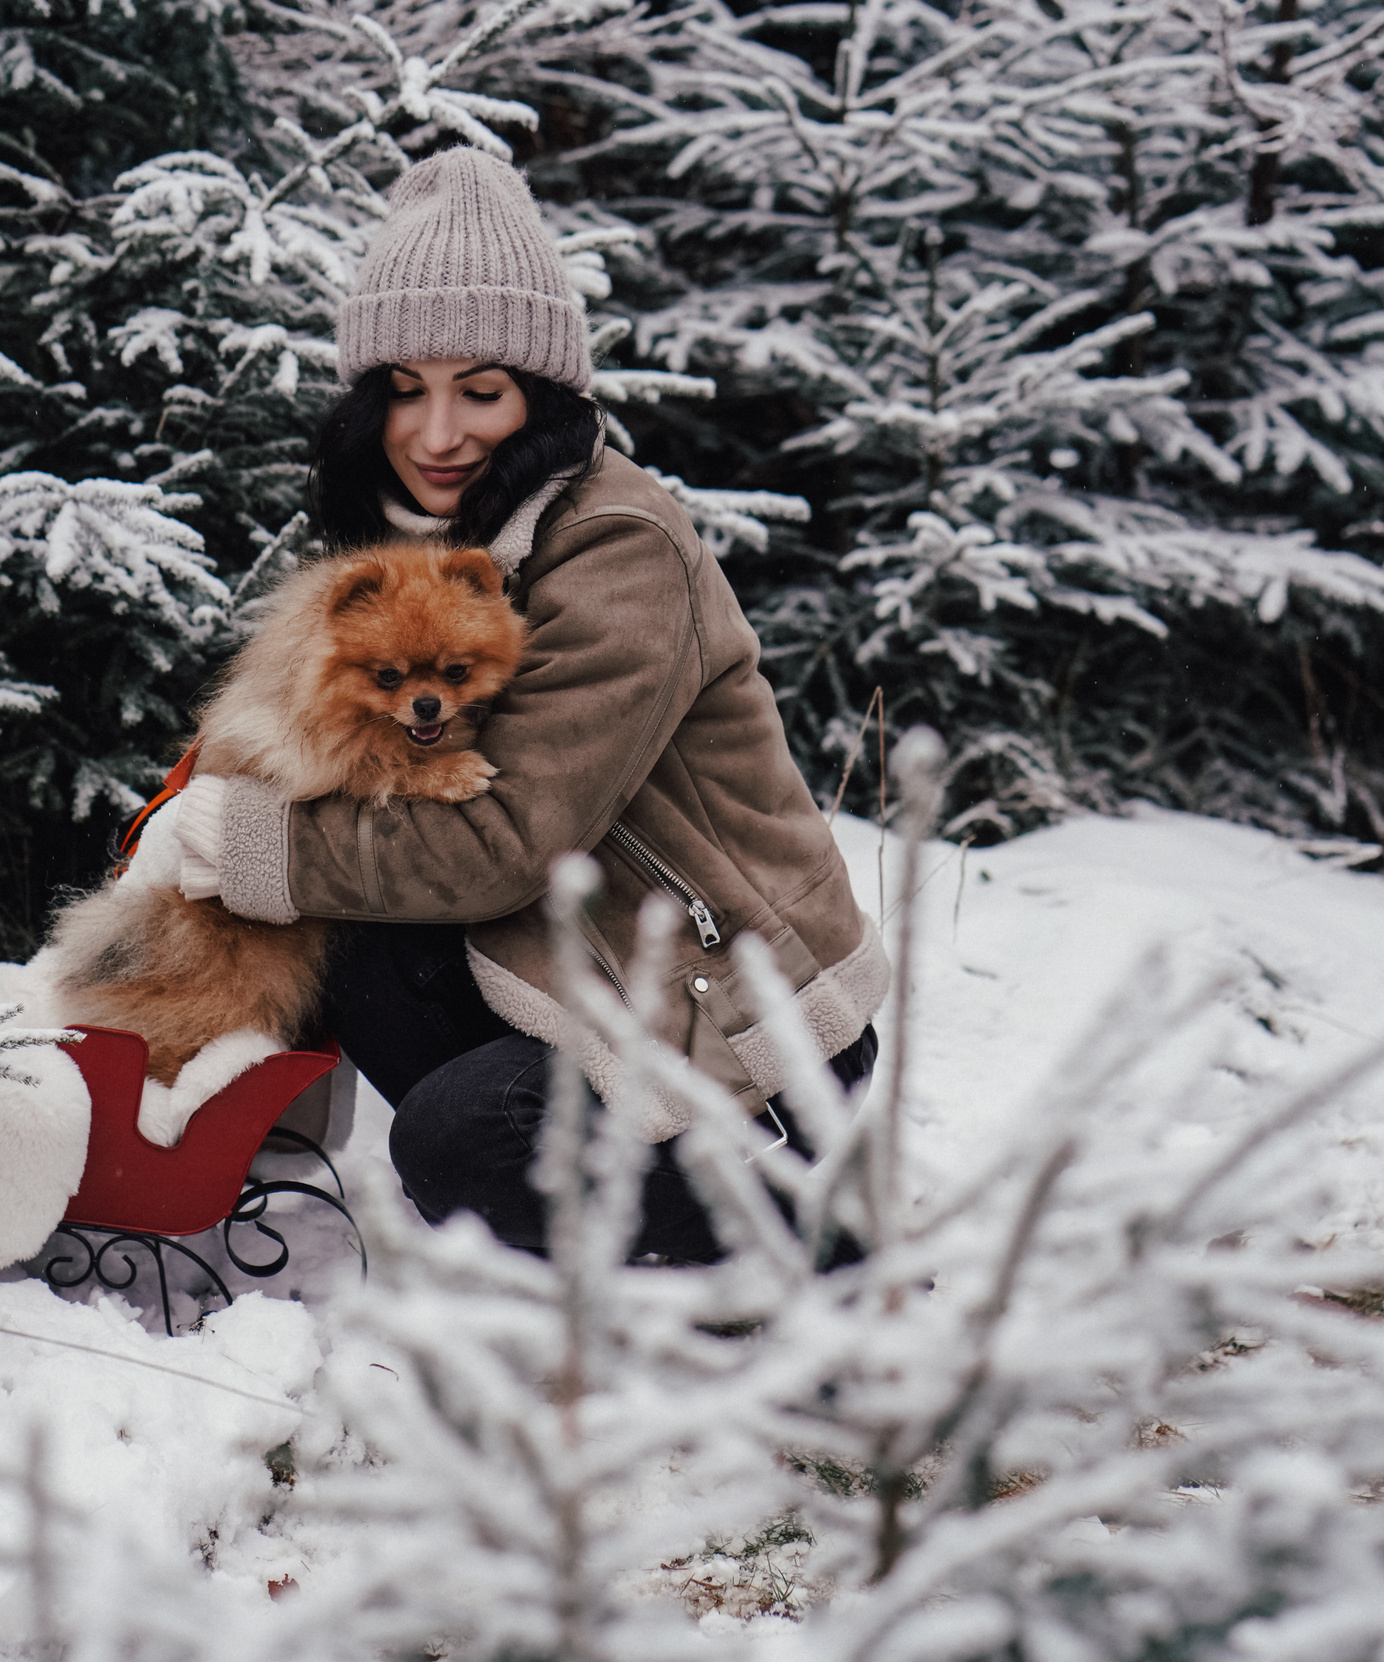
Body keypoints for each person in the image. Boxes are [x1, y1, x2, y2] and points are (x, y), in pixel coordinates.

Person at [158, 148, 886, 1261]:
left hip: (743, 1013)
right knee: (350, 952)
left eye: (479, 391)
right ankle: (623, 1232)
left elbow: (505, 844)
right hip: (574, 967)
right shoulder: (437, 548)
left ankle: (798, 1246)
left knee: (467, 1143)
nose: (436, 433)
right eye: (406, 390)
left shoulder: (615, 547)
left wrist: (243, 844)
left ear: (541, 395)